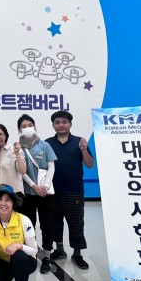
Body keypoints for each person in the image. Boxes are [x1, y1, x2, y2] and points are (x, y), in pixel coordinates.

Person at [45, 110, 95, 270]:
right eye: (57, 122)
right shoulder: (47, 144)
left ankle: (77, 254)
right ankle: (60, 250)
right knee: (55, 223)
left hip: (74, 191)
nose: (61, 125)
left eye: (64, 122)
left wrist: (84, 150)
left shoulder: (80, 142)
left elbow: (90, 164)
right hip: (52, 192)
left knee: (76, 223)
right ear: (53, 125)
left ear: (70, 124)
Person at [18, 114, 57, 275]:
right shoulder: (18, 147)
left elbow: (51, 166)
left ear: (34, 126)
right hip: (28, 193)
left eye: (30, 125)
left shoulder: (45, 145)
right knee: (29, 224)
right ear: (19, 129)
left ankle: (47, 256)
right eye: (24, 126)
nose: (27, 128)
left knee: (47, 225)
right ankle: (31, 253)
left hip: (45, 194)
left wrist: (45, 186)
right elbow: (21, 171)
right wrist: (34, 186)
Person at [0, 123, 26, 207]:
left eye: (0, 135)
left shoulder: (14, 150)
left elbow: (22, 170)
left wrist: (17, 154)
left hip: (14, 195)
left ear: (6, 136)